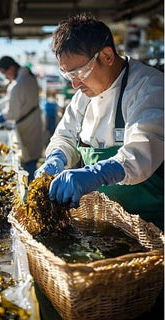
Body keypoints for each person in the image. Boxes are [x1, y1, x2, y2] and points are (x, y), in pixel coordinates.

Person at [35, 12, 164, 230]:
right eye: (68, 76)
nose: (75, 85)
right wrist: (56, 156)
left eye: (79, 72)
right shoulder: (83, 97)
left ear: (107, 56)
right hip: (106, 223)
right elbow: (65, 136)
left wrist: (96, 174)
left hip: (154, 225)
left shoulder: (151, 87)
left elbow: (142, 152)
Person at [0, 56, 44, 181]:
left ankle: (31, 187)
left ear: (11, 68)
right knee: (33, 156)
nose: (5, 77)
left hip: (26, 125)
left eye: (5, 73)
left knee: (28, 160)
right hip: (33, 120)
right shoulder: (27, 77)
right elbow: (14, 100)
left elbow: (12, 114)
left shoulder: (18, 84)